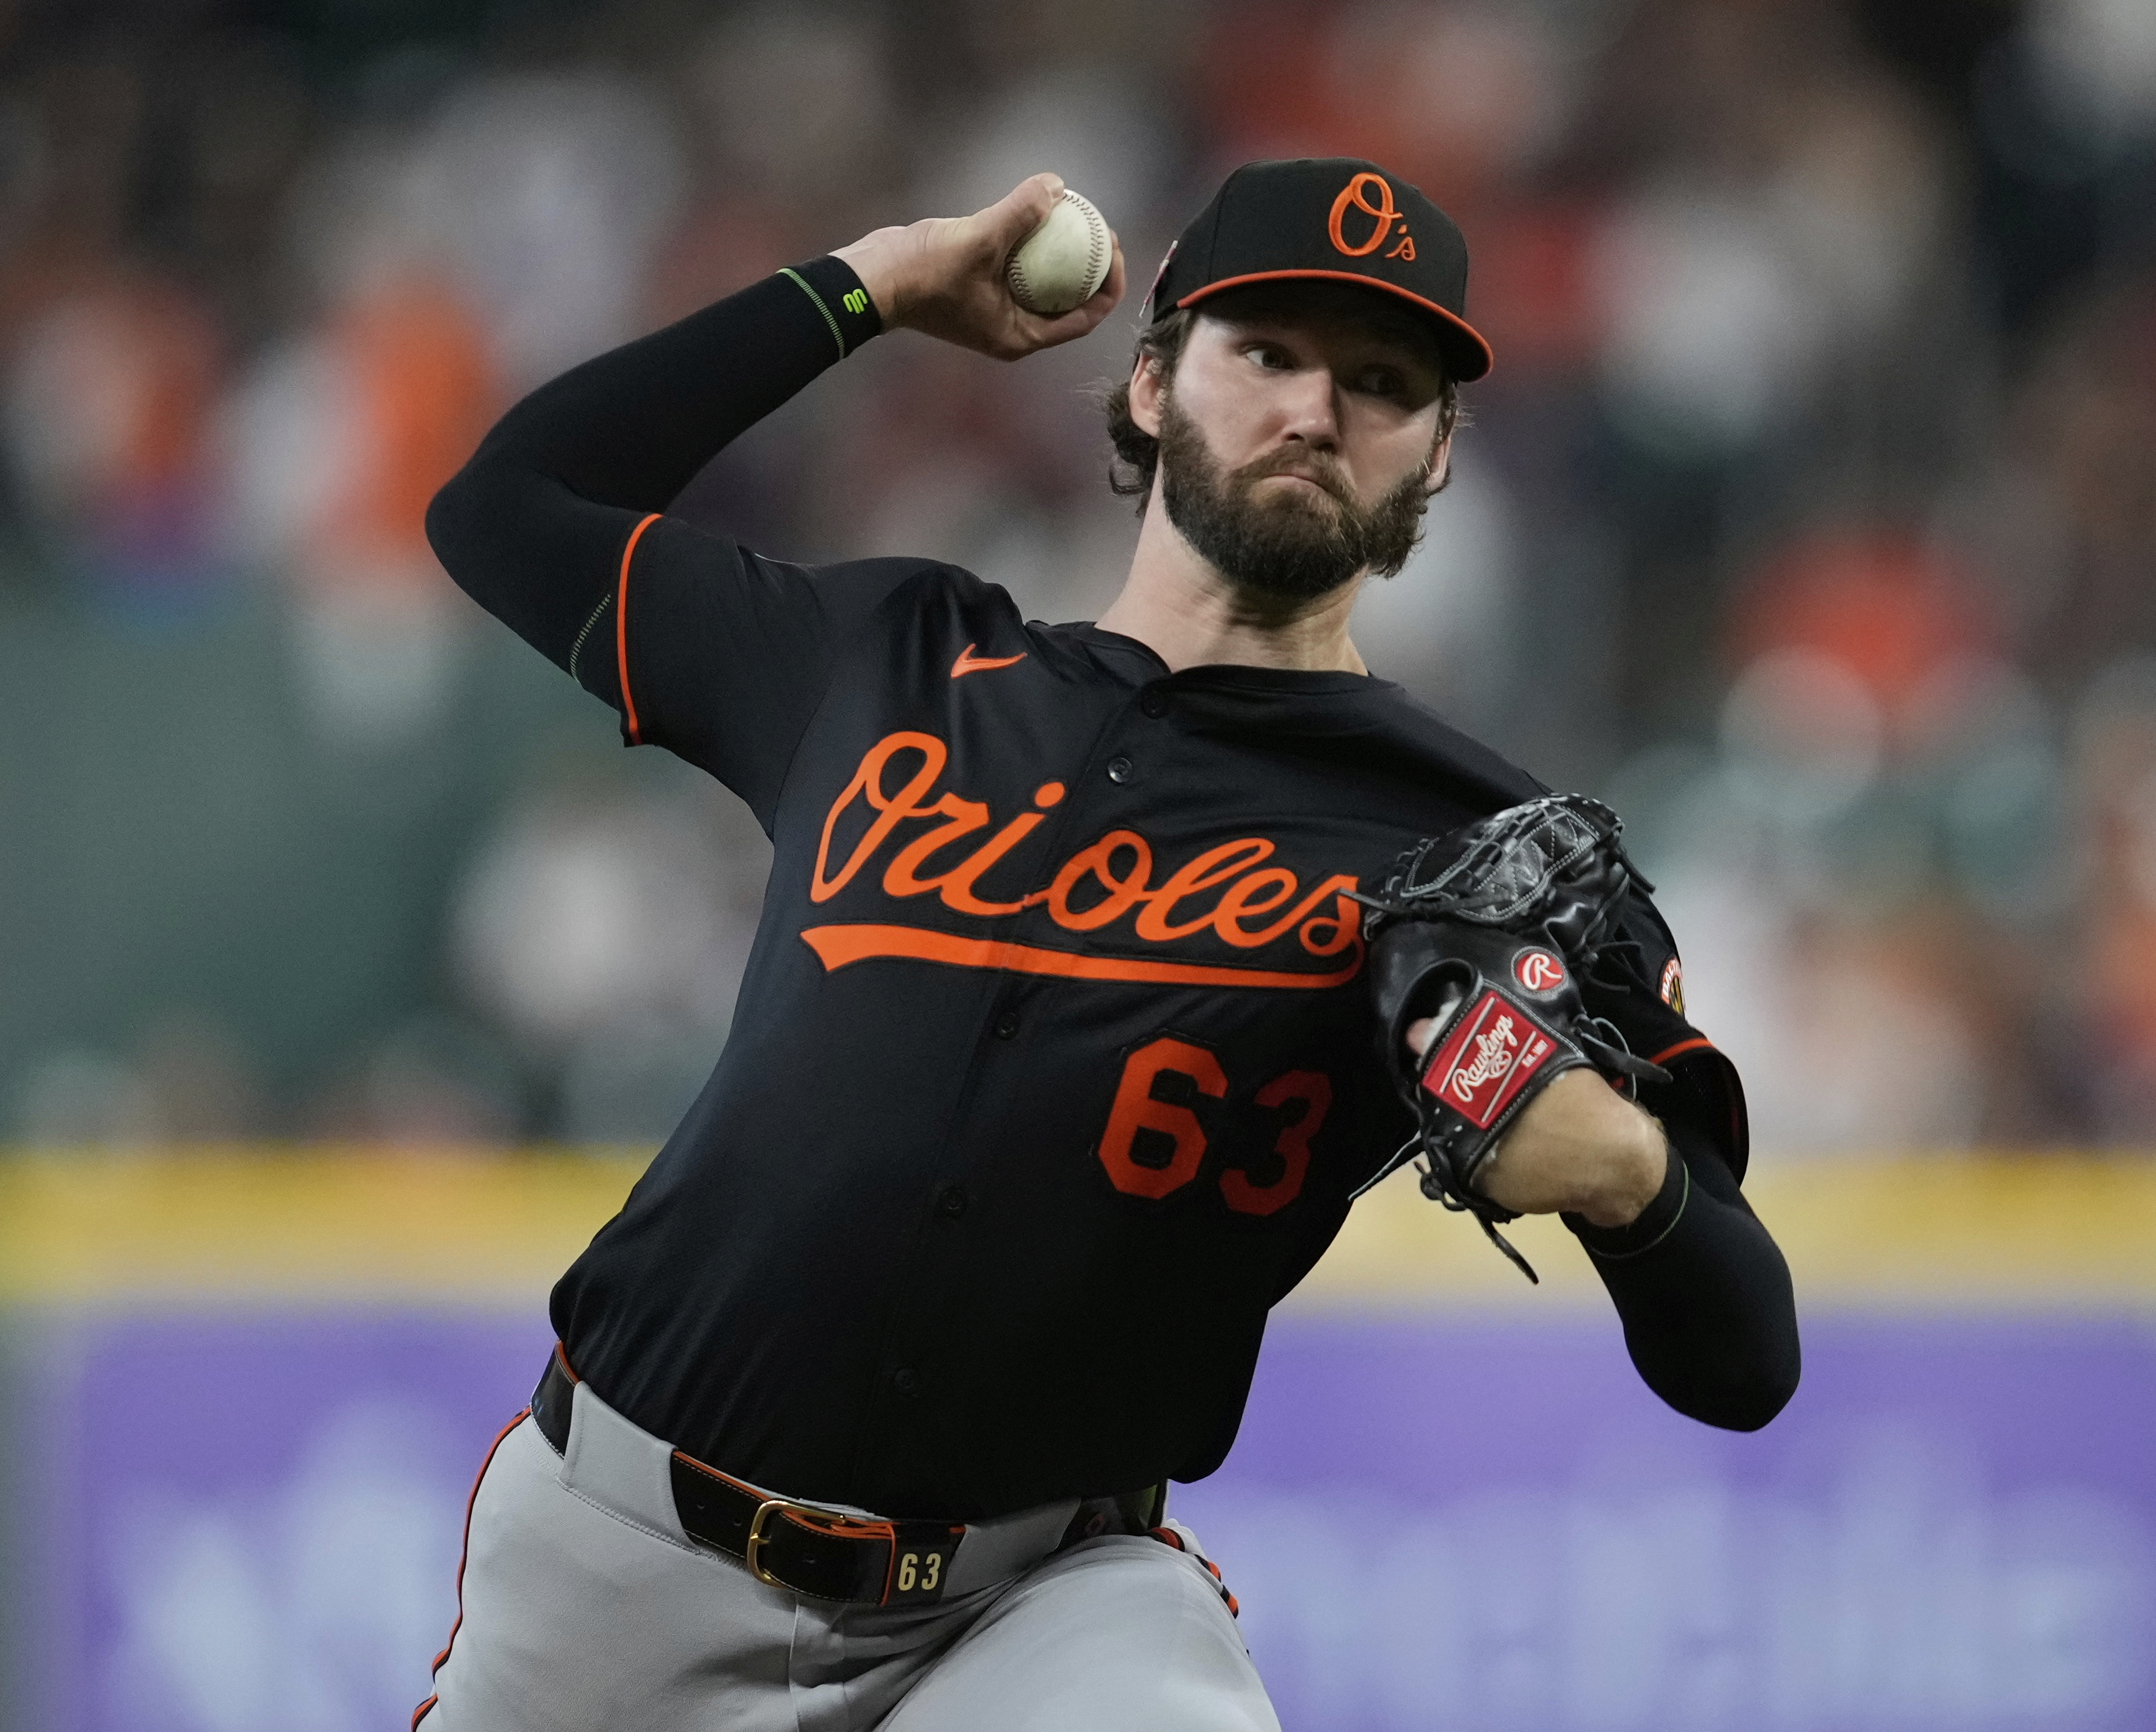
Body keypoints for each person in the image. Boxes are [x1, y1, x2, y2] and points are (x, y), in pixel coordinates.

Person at [415, 157, 1799, 1732]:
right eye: (1264, 353)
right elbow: (503, 508)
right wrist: (871, 283)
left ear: (1434, 457)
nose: (1314, 407)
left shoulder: (1479, 853)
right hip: (614, 1565)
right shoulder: (886, 659)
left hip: (1032, 1620)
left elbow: (1742, 1357)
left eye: (1379, 382)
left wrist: (1625, 1178)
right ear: (1148, 384)